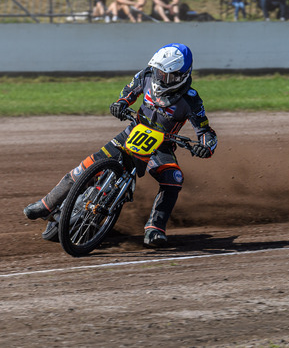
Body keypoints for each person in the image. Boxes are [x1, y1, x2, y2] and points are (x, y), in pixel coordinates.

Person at [23, 43, 218, 248]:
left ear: (181, 75)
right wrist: (121, 103)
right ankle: (46, 204)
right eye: (159, 72)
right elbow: (129, 90)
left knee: (174, 178)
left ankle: (155, 228)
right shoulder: (147, 75)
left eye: (166, 75)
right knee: (86, 166)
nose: (160, 77)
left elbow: (205, 132)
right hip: (131, 132)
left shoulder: (191, 100)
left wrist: (204, 147)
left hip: (161, 146)